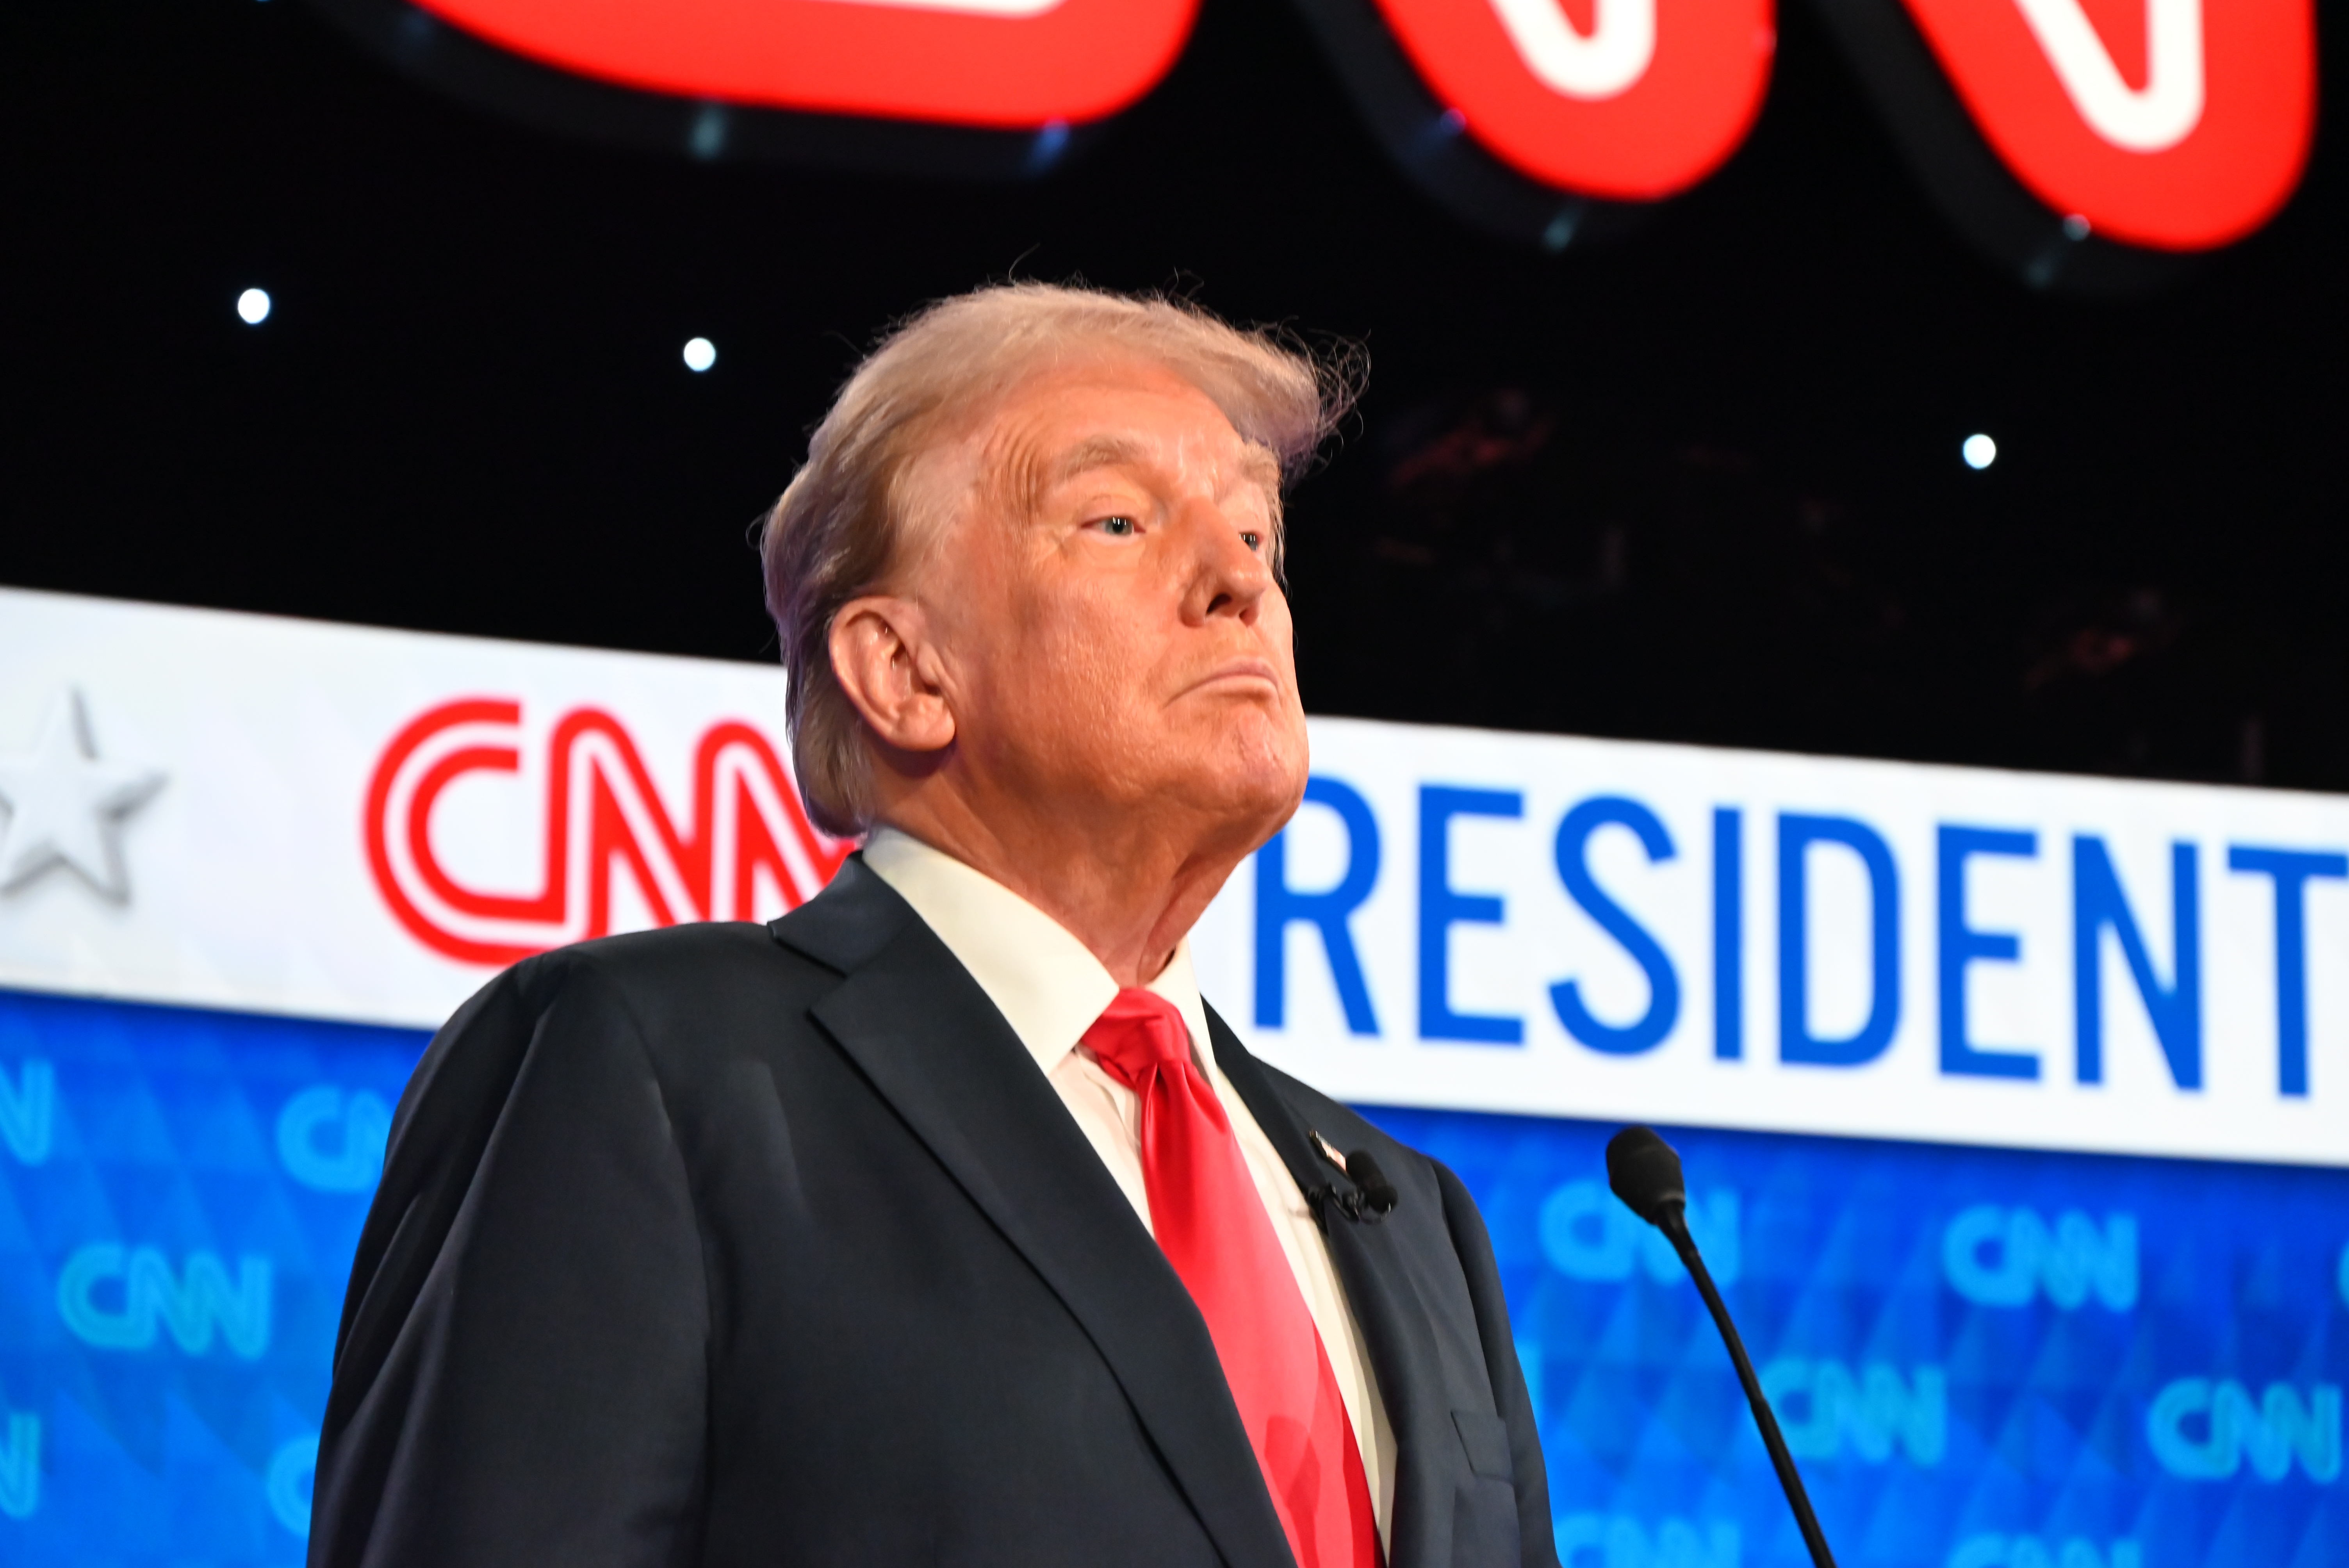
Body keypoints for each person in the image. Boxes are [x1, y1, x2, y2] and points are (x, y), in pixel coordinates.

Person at [308, 282, 1556, 1568]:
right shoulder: (643, 1068)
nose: (1241, 582)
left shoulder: (1415, 1220)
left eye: (1257, 534)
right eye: (1120, 519)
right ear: (904, 673)